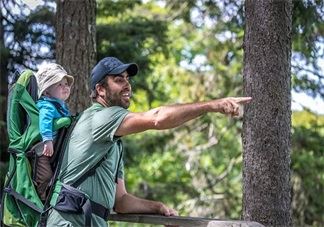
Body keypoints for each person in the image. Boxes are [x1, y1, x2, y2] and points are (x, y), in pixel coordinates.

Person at [46, 57, 251, 226]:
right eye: (119, 79)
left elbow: (121, 201)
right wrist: (214, 105)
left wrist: (158, 207)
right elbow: (157, 118)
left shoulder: (113, 140)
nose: (127, 85)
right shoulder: (100, 118)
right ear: (100, 90)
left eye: (128, 79)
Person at [35, 63, 74, 201]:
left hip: (53, 149)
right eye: (59, 85)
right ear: (46, 91)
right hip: (42, 150)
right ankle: (40, 200)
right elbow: (44, 122)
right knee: (45, 176)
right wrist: (47, 140)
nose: (65, 87)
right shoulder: (47, 105)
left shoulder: (60, 105)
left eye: (66, 84)